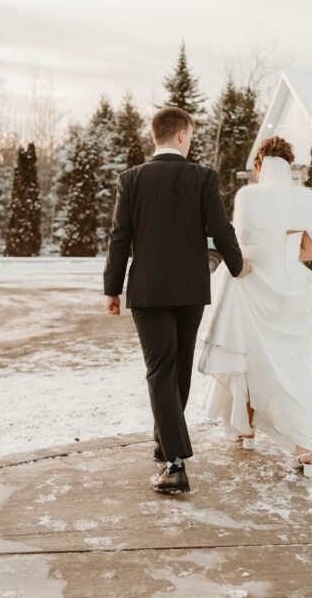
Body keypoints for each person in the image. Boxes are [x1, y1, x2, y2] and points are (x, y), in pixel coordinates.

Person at [103, 105, 251, 495]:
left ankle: (173, 462)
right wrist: (238, 266)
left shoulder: (130, 179)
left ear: (157, 136)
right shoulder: (203, 177)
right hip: (189, 289)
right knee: (177, 368)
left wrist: (112, 288)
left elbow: (119, 236)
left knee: (160, 370)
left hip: (148, 291)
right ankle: (166, 446)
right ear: (183, 135)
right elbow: (220, 228)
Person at [197, 135, 312, 475]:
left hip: (253, 288)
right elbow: (310, 252)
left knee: (249, 360)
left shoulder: (248, 196)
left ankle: (248, 430)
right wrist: (286, 248)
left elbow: (237, 243)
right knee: (294, 367)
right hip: (291, 293)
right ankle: (302, 446)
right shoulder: (304, 198)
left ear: (259, 166)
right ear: (288, 165)